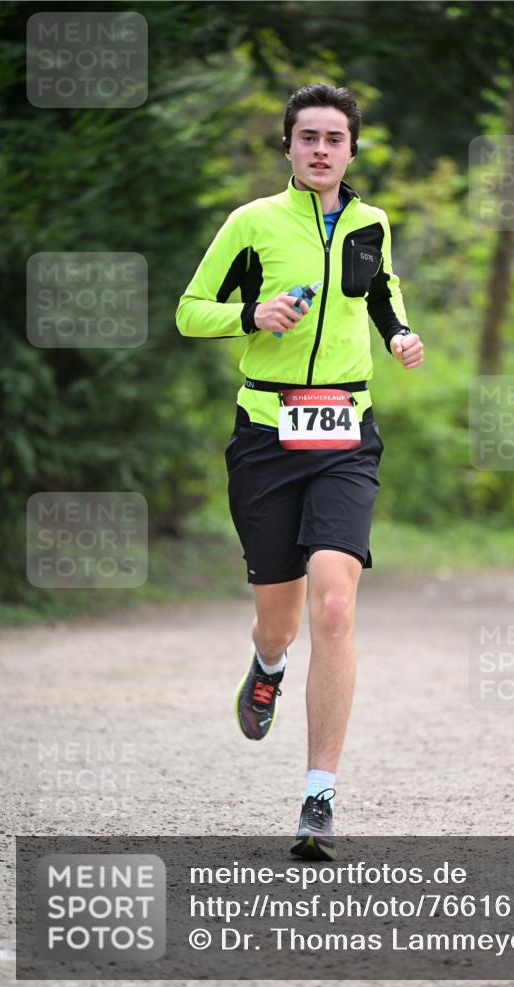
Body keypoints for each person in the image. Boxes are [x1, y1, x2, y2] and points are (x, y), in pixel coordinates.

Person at [176, 83, 423, 860]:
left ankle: (318, 797)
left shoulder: (370, 221)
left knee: (337, 605)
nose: (321, 149)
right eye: (307, 136)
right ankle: (268, 665)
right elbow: (189, 311)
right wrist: (250, 317)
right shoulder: (251, 223)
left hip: (347, 432)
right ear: (287, 146)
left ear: (352, 149)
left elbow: (379, 289)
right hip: (266, 436)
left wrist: (400, 334)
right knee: (279, 617)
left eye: (334, 138)